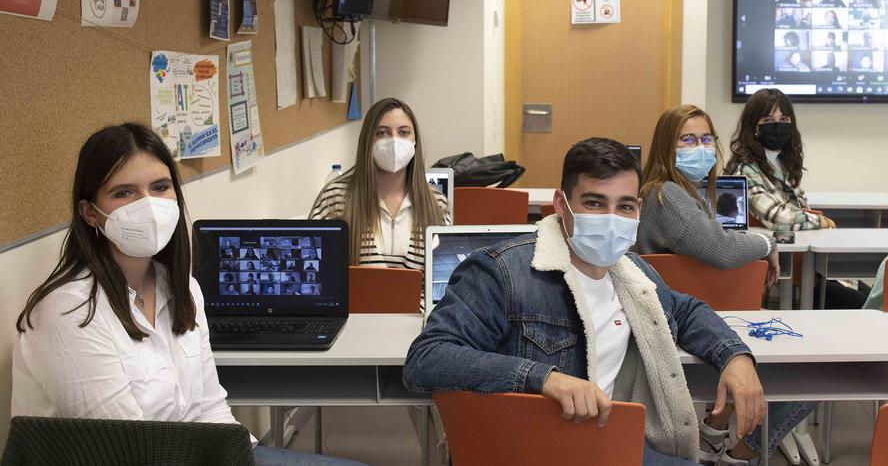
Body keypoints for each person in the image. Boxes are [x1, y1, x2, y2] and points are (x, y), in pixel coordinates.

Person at [405, 138, 785, 466]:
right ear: (560, 203)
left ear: (638, 209)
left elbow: (686, 310)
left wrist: (735, 357)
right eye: (594, 203)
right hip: (532, 449)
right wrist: (543, 380)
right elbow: (427, 359)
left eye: (624, 207)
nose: (610, 219)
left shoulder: (632, 271)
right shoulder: (501, 271)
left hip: (607, 444)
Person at [11, 124, 360, 465]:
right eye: (124, 193)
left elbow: (209, 406)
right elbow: (127, 452)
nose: (147, 206)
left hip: (202, 454)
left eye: (160, 187)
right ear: (90, 212)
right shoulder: (70, 312)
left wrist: (244, 456)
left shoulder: (183, 289)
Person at [632, 110, 817, 463]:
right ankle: (737, 450)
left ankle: (720, 433)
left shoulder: (683, 194)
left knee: (815, 366)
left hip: (704, 321)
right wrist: (768, 243)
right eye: (687, 140)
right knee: (816, 371)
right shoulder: (665, 195)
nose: (699, 148)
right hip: (688, 328)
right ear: (665, 148)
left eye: (705, 139)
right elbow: (721, 250)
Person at [725, 89, 866, 309]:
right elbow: (778, 217)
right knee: (869, 306)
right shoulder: (745, 170)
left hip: (807, 274)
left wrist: (809, 219)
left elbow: (801, 213)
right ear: (754, 126)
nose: (778, 126)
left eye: (784, 120)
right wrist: (820, 221)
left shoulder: (783, 164)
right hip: (781, 282)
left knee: (878, 296)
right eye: (769, 120)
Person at [309, 98, 450, 271]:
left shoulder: (436, 204)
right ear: (368, 141)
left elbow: (443, 279)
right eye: (382, 133)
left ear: (415, 141)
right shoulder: (335, 198)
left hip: (416, 299)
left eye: (404, 132)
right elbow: (315, 268)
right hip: (357, 298)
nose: (394, 141)